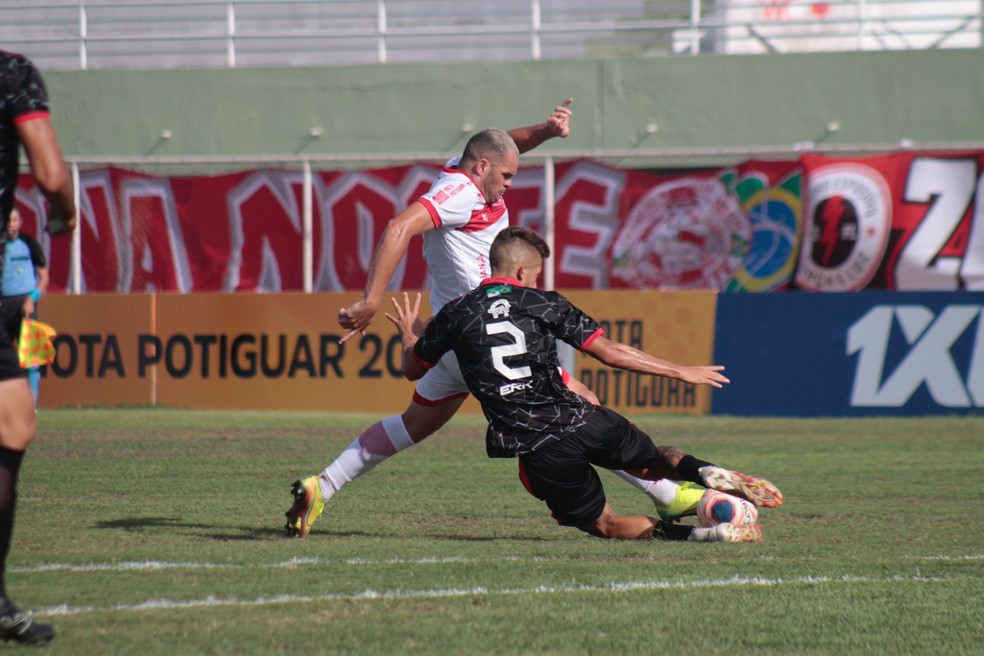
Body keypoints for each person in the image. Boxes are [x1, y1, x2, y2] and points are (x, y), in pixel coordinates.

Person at [285, 103, 668, 537]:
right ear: (482, 167)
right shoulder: (459, 193)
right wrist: (371, 301)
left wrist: (544, 130)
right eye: (506, 177)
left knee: (409, 426)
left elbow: (503, 142)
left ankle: (324, 484)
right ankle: (673, 496)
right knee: (580, 404)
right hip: (483, 337)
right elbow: (398, 227)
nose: (507, 187)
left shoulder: (467, 168)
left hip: (461, 339)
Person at [384, 226, 782, 542]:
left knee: (603, 525)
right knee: (657, 458)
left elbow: (412, 370)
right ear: (523, 271)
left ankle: (704, 535)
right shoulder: (545, 303)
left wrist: (408, 335)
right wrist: (680, 371)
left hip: (535, 444)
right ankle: (704, 470)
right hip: (581, 418)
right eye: (537, 273)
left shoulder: (456, 315)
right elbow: (609, 352)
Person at [0, 49, 77, 646]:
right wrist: (62, 212)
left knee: (15, 422)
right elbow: (51, 176)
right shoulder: (11, 74)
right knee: (12, 430)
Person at [4, 208, 48, 407]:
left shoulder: (29, 245)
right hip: (3, 304)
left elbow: (44, 277)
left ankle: (32, 406)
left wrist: (32, 298)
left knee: (31, 358)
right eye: (7, 220)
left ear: (20, 222)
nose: (11, 225)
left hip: (25, 305)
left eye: (14, 220)